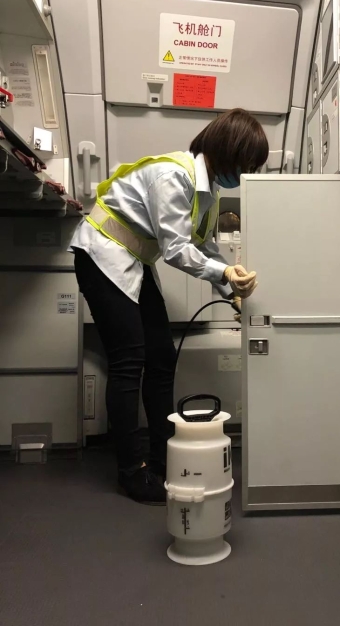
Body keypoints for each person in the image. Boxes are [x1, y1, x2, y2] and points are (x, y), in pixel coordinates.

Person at [70, 108, 268, 504]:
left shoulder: (209, 190)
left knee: (161, 356)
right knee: (129, 360)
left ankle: (162, 459)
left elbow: (204, 246)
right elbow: (177, 250)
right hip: (101, 255)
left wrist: (231, 287)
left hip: (134, 260)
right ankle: (131, 472)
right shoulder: (174, 176)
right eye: (246, 164)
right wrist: (224, 274)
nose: (247, 173)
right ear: (227, 151)